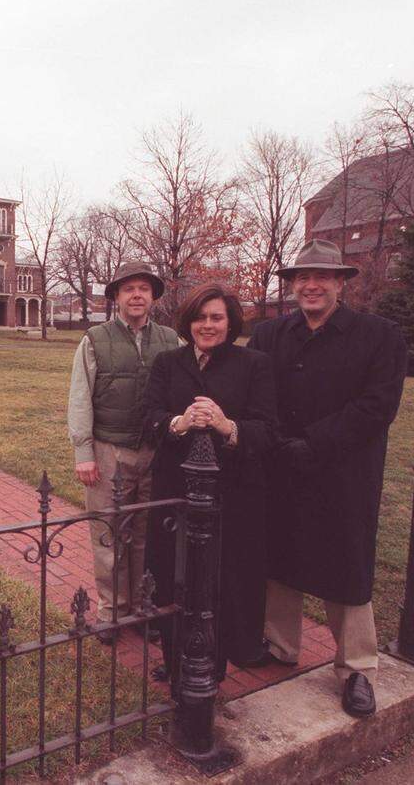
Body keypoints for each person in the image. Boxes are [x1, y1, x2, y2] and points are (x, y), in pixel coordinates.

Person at [248, 239, 407, 718]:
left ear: (341, 283)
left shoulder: (379, 336)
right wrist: (277, 442)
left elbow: (378, 407)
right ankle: (279, 644)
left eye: (322, 277)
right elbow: (254, 394)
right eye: (302, 278)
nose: (311, 286)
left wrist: (314, 442)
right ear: (293, 284)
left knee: (347, 565)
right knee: (279, 555)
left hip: (343, 472)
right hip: (282, 467)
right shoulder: (270, 335)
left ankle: (357, 668)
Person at [144, 283, 278, 679]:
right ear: (188, 323)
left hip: (231, 492)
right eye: (200, 317)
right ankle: (174, 659)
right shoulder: (168, 363)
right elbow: (149, 416)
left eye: (216, 317)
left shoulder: (254, 364)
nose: (207, 325)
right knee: (174, 574)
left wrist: (227, 426)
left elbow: (268, 430)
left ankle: (212, 664)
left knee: (221, 580)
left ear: (230, 321)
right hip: (175, 489)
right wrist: (178, 423)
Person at [67, 261, 179, 642]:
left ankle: (142, 608)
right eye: (128, 288)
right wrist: (84, 452)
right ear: (115, 296)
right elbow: (80, 396)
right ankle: (111, 611)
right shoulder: (95, 339)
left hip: (154, 452)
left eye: (143, 289)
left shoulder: (170, 339)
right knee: (108, 534)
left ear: (153, 297)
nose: (136, 295)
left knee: (146, 535)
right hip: (109, 450)